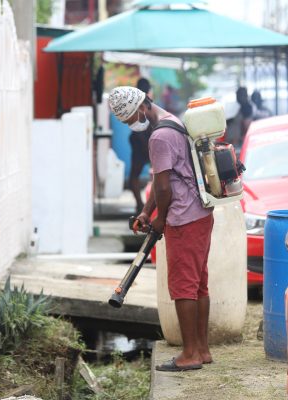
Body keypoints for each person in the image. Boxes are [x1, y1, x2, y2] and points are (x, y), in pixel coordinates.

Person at [108, 86, 214, 372]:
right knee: (198, 284)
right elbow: (161, 178)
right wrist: (146, 211)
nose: (132, 125)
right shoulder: (173, 122)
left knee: (182, 287)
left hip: (183, 218)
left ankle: (189, 353)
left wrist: (160, 219)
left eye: (130, 119)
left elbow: (165, 187)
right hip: (201, 214)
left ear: (141, 107)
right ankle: (202, 350)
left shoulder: (158, 137)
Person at [128, 77, 153, 214]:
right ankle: (141, 205)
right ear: (149, 90)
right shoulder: (147, 103)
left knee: (134, 176)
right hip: (144, 142)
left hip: (142, 142)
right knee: (157, 175)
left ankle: (140, 204)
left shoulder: (135, 102)